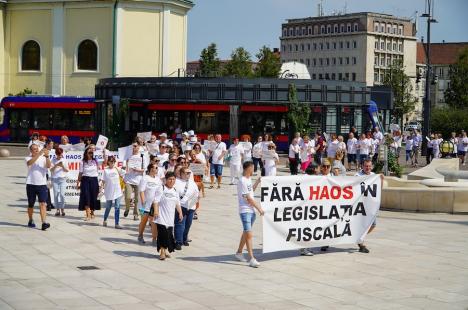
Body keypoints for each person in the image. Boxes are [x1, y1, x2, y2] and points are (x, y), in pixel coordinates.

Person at [235, 161, 264, 268]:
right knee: (249, 234)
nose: (254, 169)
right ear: (249, 168)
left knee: (246, 233)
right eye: (253, 167)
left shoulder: (248, 180)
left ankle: (239, 252)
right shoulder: (242, 180)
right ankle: (251, 258)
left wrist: (257, 181)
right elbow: (248, 198)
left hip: (251, 211)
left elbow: (251, 191)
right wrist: (259, 208)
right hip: (245, 210)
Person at [355, 159, 383, 253]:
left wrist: (381, 180)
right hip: (360, 205)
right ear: (362, 166)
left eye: (369, 166)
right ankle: (361, 242)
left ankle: (359, 237)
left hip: (370, 205)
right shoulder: (357, 176)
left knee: (373, 224)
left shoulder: (373, 176)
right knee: (361, 223)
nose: (368, 168)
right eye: (366, 166)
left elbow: (378, 189)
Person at [153, 172, 183, 260]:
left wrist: (180, 212)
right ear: (166, 180)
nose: (172, 181)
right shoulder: (161, 188)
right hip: (161, 216)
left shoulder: (175, 190)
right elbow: (156, 201)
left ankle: (165, 250)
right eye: (170, 179)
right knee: (162, 233)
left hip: (170, 217)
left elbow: (177, 203)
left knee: (169, 234)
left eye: (173, 179)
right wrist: (155, 211)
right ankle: (162, 252)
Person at [25, 144, 52, 230]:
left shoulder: (43, 158)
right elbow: (30, 163)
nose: (36, 150)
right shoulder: (28, 158)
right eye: (34, 149)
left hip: (42, 185)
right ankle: (30, 219)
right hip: (31, 184)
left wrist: (47, 156)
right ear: (31, 151)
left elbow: (48, 166)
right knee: (31, 204)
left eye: (37, 149)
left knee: (43, 203)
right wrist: (39, 154)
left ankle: (44, 222)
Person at [174, 167, 199, 249]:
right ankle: (178, 241)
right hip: (181, 206)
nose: (188, 174)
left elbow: (197, 194)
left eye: (189, 173)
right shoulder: (177, 182)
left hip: (191, 207)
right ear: (181, 174)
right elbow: (175, 194)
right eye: (186, 173)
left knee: (188, 224)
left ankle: (184, 239)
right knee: (180, 224)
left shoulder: (192, 183)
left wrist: (194, 202)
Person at [137, 163, 162, 244]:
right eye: (156, 168)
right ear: (151, 169)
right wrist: (144, 203)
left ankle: (154, 239)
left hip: (154, 205)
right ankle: (140, 235)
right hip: (144, 206)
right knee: (144, 221)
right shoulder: (145, 178)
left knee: (154, 222)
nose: (157, 169)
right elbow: (142, 191)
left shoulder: (158, 179)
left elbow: (159, 192)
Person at [77, 145, 100, 221]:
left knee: (93, 197)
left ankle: (92, 212)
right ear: (86, 153)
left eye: (91, 153)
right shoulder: (82, 162)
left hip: (94, 180)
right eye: (89, 152)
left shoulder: (95, 161)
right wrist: (78, 182)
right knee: (86, 197)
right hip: (85, 180)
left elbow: (105, 163)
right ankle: (88, 214)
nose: (90, 154)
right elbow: (80, 173)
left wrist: (104, 153)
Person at [101, 156, 124, 229]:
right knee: (108, 207)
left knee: (117, 207)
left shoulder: (117, 169)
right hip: (109, 191)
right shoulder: (105, 170)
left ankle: (117, 223)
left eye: (114, 161)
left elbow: (125, 174)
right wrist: (101, 188)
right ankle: (105, 219)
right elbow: (103, 181)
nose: (112, 163)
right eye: (111, 161)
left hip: (117, 191)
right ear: (108, 162)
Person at [124, 143, 145, 220]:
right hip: (129, 179)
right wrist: (126, 166)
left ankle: (135, 214)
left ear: (139, 147)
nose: (134, 147)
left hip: (138, 180)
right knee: (128, 196)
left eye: (135, 146)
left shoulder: (142, 156)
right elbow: (124, 168)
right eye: (132, 146)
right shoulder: (128, 156)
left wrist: (137, 170)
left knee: (137, 198)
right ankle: (127, 208)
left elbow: (145, 169)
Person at [50, 147, 68, 217]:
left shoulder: (64, 160)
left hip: (63, 179)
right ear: (56, 154)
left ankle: (62, 208)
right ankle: (57, 209)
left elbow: (67, 170)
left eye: (61, 154)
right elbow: (51, 170)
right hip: (55, 179)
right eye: (58, 154)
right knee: (55, 195)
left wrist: (62, 166)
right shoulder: (53, 160)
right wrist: (57, 165)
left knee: (62, 195)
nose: (60, 156)